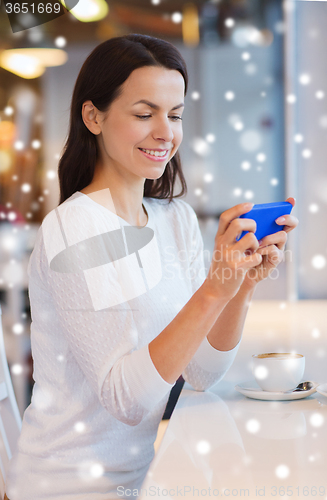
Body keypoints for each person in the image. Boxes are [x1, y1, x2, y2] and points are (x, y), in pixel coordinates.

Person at [5, 34, 298, 500]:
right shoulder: (74, 229)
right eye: (144, 114)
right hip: (67, 487)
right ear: (93, 116)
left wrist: (237, 285)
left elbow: (202, 372)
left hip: (144, 476)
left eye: (175, 114)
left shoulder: (174, 219)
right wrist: (212, 292)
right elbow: (125, 399)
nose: (166, 132)